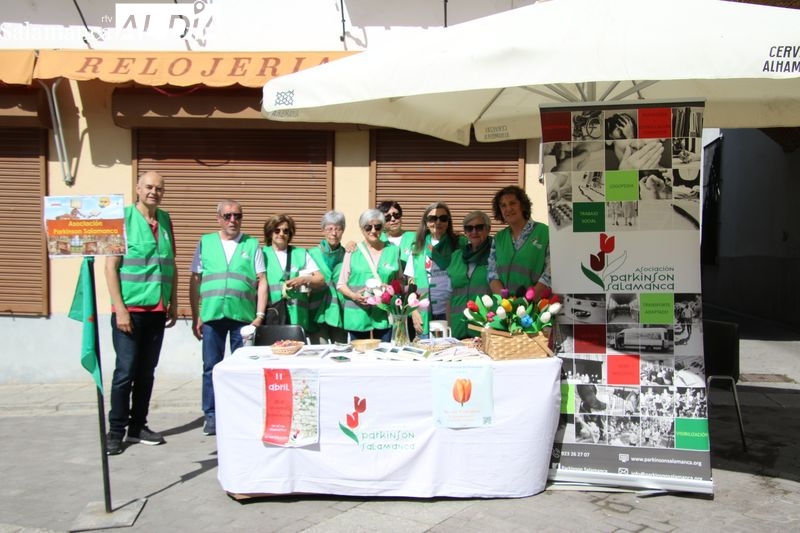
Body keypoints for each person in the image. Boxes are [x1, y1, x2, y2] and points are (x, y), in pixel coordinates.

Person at [104, 171, 177, 455]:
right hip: (130, 311)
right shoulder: (122, 219)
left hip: (157, 309)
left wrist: (172, 301)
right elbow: (111, 267)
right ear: (137, 188)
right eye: (148, 187)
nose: (153, 192)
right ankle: (115, 431)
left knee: (146, 373)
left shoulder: (166, 220)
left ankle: (137, 427)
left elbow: (170, 263)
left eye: (159, 188)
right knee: (125, 372)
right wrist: (120, 309)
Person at [189, 200, 268, 436]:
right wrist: (196, 315)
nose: (233, 220)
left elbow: (262, 280)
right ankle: (211, 415)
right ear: (219, 219)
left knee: (243, 368)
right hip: (212, 316)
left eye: (237, 216)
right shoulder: (205, 242)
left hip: (242, 318)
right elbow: (195, 280)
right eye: (228, 216)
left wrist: (259, 316)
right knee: (211, 367)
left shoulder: (251, 244)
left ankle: (240, 413)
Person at [336, 209, 401, 341]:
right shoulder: (352, 251)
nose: (373, 231)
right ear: (361, 229)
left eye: (377, 226)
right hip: (357, 314)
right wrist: (354, 296)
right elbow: (341, 284)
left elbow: (400, 281)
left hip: (383, 314)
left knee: (384, 352)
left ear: (383, 227)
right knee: (359, 352)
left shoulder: (393, 251)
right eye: (368, 227)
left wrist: (389, 289)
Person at [262, 214, 325, 332]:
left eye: (285, 231)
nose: (281, 234)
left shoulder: (300, 253)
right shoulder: (261, 254)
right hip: (271, 317)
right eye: (277, 230)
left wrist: (304, 280)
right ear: (270, 232)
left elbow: (321, 280)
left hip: (297, 317)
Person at [405, 202, 458, 337]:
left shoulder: (458, 244)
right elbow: (412, 281)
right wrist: (413, 309)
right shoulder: (417, 247)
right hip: (424, 311)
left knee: (447, 347)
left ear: (448, 222)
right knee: (425, 347)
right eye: (432, 218)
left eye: (443, 218)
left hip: (450, 311)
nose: (438, 222)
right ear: (426, 222)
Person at [488, 185, 551, 297]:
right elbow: (492, 273)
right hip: (505, 305)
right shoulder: (498, 238)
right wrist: (505, 301)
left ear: (522, 205)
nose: (508, 209)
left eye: (512, 203)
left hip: (537, 303)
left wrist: (530, 299)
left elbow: (551, 271)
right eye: (503, 205)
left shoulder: (545, 233)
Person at [447, 211, 492, 339]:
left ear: (488, 229)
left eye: (479, 227)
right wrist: (449, 329)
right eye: (469, 228)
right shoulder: (456, 256)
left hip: (484, 331)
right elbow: (449, 296)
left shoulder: (495, 255)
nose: (474, 232)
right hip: (458, 330)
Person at [307, 211, 348, 344]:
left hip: (340, 313)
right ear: (323, 230)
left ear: (343, 230)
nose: (334, 233)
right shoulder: (311, 253)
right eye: (330, 229)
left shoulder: (348, 254)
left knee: (340, 351)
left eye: (338, 229)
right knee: (320, 350)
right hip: (316, 313)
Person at [377, 200, 415, 266]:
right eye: (387, 217)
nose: (393, 219)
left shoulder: (414, 238)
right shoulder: (378, 239)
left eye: (396, 215)